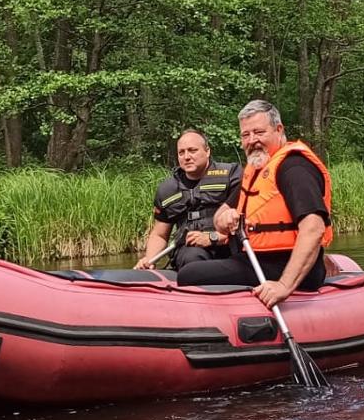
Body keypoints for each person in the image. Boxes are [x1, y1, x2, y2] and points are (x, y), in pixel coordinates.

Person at [178, 100, 332, 309]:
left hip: (284, 264)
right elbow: (221, 215)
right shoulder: (257, 169)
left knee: (190, 274)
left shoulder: (294, 168)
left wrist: (284, 286)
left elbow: (314, 228)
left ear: (279, 130)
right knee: (193, 263)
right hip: (254, 259)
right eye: (245, 135)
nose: (252, 141)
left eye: (259, 132)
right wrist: (223, 219)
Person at [136, 129, 242, 271]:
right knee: (193, 256)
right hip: (191, 252)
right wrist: (149, 259)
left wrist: (213, 238)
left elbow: (246, 219)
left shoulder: (231, 175)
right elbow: (159, 234)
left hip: (229, 244)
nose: (186, 157)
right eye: (181, 152)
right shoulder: (167, 189)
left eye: (192, 150)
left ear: (207, 151)